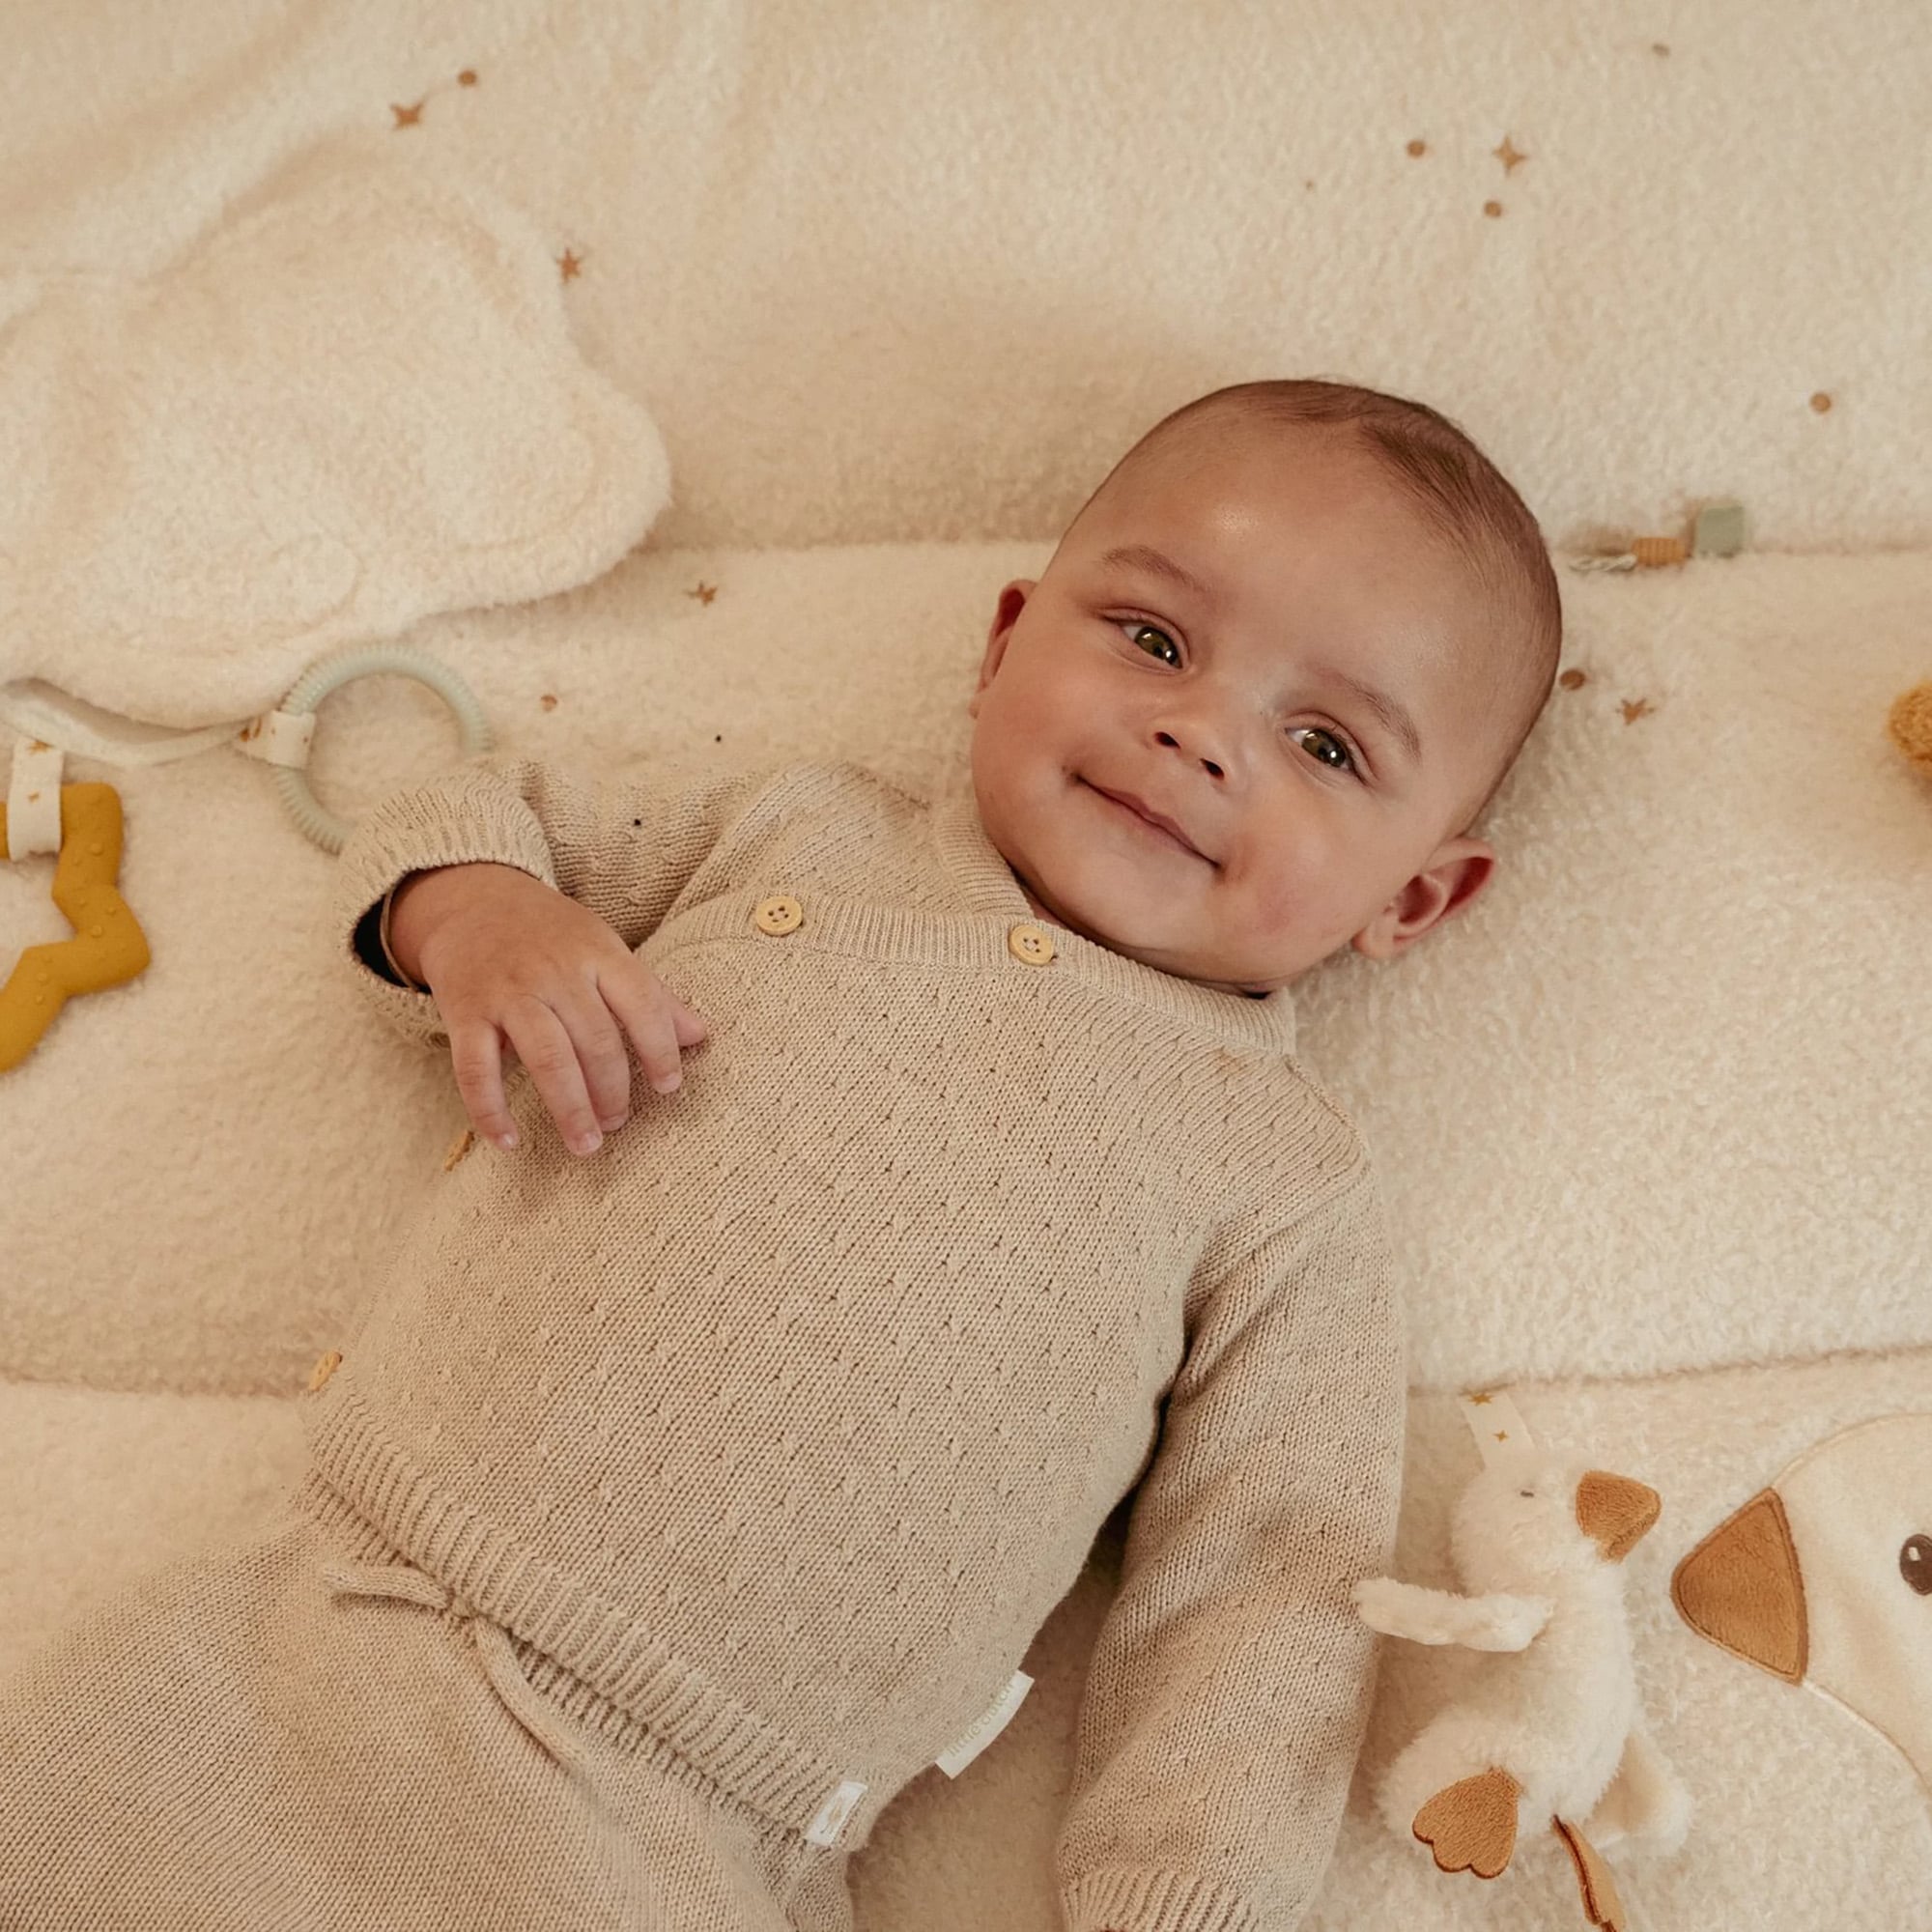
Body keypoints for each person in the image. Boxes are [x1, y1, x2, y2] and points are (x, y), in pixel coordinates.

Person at [0, 378, 1561, 1932]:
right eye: (1154, 641)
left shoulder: (1280, 1179)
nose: (1199, 734)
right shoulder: (794, 836)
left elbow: (1264, 1589)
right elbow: (475, 809)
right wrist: (478, 918)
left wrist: (1184, 1905)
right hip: (309, 1631)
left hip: (680, 1836)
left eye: (1326, 745)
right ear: (1007, 640)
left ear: (1414, 899)